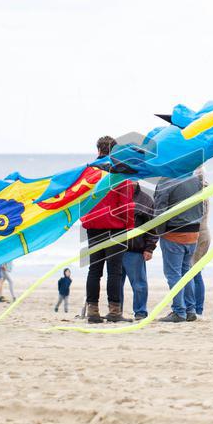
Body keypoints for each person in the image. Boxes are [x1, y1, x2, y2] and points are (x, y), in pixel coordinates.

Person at [78, 136, 135, 323]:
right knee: (114, 272)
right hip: (115, 228)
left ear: (98, 150)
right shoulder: (120, 172)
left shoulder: (87, 172)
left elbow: (79, 199)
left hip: (93, 227)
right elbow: (126, 204)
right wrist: (130, 227)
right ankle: (114, 311)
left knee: (94, 270)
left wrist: (85, 220)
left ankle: (93, 312)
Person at [154, 170, 204, 323]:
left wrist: (158, 232)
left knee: (174, 274)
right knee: (185, 271)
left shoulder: (166, 180)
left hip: (174, 232)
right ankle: (190, 310)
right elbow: (200, 206)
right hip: (193, 231)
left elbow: (160, 209)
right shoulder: (195, 179)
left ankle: (179, 311)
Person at [122, 182, 158, 320]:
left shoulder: (145, 200)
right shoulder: (114, 195)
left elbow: (153, 227)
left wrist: (150, 248)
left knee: (139, 284)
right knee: (115, 284)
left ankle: (140, 312)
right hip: (115, 249)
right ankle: (116, 312)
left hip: (135, 250)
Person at [190, 170, 210, 318]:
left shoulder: (199, 194)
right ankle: (196, 308)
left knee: (193, 273)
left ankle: (197, 309)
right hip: (201, 233)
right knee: (194, 272)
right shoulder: (201, 191)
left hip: (199, 234)